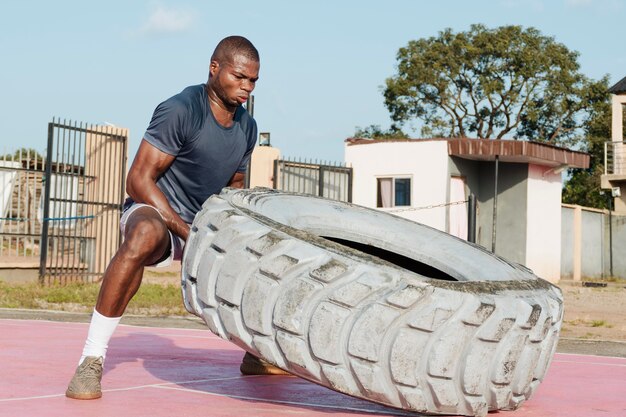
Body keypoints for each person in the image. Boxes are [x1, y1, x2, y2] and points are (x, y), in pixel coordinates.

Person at [66, 35, 287, 401]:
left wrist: (239, 235)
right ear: (214, 68)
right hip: (155, 211)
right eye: (239, 77)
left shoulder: (247, 127)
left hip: (201, 222)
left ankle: (256, 351)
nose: (246, 86)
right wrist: (187, 231)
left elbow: (234, 186)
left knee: (261, 253)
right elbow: (138, 180)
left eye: (253, 80)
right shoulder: (181, 109)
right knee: (143, 237)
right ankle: (91, 358)